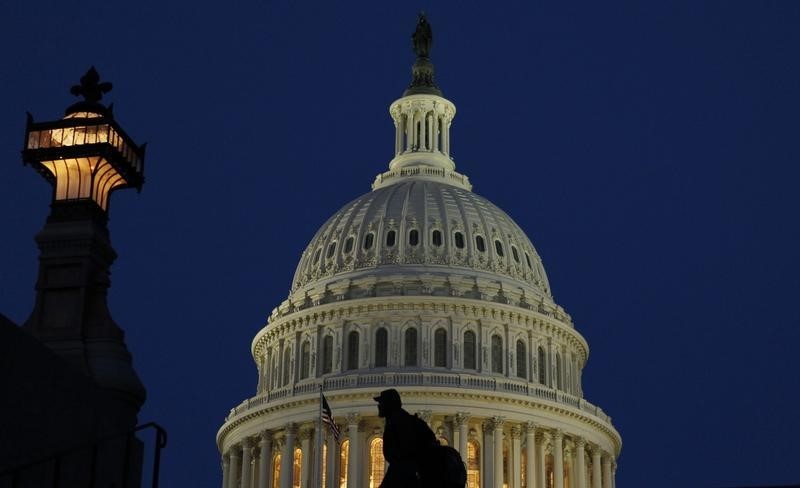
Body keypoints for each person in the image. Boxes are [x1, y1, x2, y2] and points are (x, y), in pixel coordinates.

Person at [374, 389, 438, 488]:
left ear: (389, 404)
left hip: (403, 473)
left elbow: (400, 454)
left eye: (381, 402)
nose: (379, 406)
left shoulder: (397, 423)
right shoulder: (409, 421)